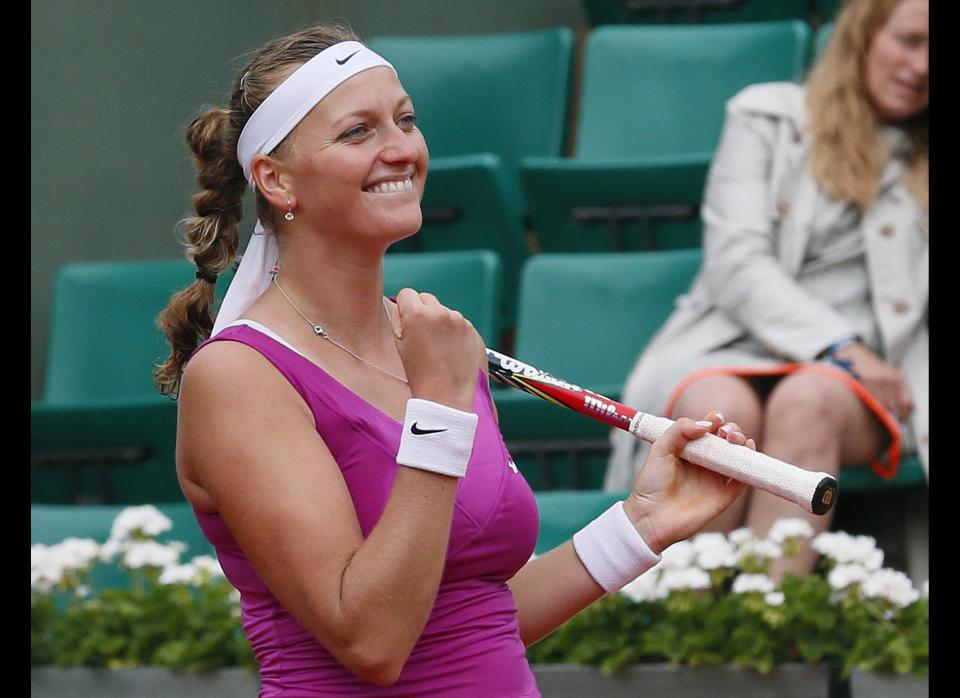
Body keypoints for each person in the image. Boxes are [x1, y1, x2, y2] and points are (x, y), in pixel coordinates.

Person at [153, 23, 755, 697]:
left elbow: (471, 627)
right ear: (275, 179)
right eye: (359, 132)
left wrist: (643, 523)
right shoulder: (238, 377)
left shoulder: (435, 347)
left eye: (405, 120)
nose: (400, 149)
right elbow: (373, 640)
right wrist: (437, 407)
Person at [606, 0, 928, 581]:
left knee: (807, 402)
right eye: (909, 40)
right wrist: (840, 346)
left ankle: (769, 627)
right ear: (864, 36)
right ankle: (686, 629)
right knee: (714, 412)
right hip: (740, 342)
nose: (923, 64)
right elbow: (737, 264)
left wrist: (854, 362)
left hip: (870, 379)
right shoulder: (765, 114)